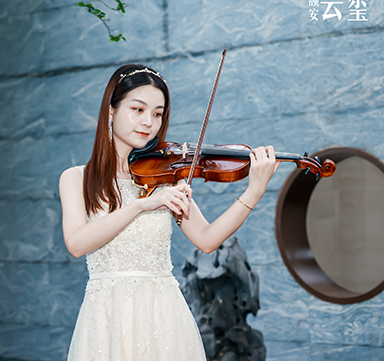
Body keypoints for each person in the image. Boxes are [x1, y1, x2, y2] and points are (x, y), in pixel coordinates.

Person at [58, 64, 280, 360]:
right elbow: (76, 243)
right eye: (138, 109)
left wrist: (254, 191)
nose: (148, 122)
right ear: (111, 111)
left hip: (163, 315)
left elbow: (207, 239)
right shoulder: (76, 178)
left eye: (157, 113)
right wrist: (141, 205)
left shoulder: (165, 178)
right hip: (106, 317)